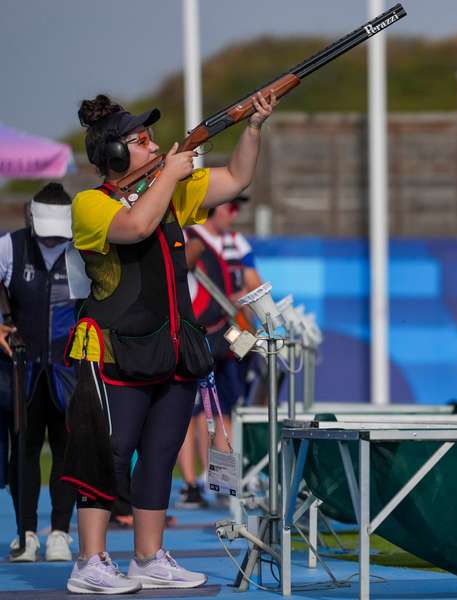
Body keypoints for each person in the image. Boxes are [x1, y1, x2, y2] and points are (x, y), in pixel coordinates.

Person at [63, 90, 277, 594]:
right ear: (114, 156)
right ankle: (89, 562)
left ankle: (148, 557)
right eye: (142, 141)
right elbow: (135, 227)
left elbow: (237, 179)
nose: (155, 145)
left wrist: (252, 128)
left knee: (159, 455)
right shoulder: (90, 204)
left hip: (175, 347)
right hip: (114, 350)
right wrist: (170, 175)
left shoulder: (169, 189)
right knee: (109, 454)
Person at [0, 184, 78, 562]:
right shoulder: (10, 246)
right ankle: (26, 534)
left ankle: (60, 532)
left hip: (69, 371)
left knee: (66, 452)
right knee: (24, 452)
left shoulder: (81, 249)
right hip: (23, 370)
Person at [176, 195, 262, 509]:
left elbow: (254, 285)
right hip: (195, 337)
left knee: (223, 411)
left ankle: (224, 483)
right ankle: (192, 483)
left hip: (225, 336)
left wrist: (254, 326)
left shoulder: (236, 242)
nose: (235, 214)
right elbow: (177, 270)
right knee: (192, 414)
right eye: (230, 206)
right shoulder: (187, 236)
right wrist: (191, 254)